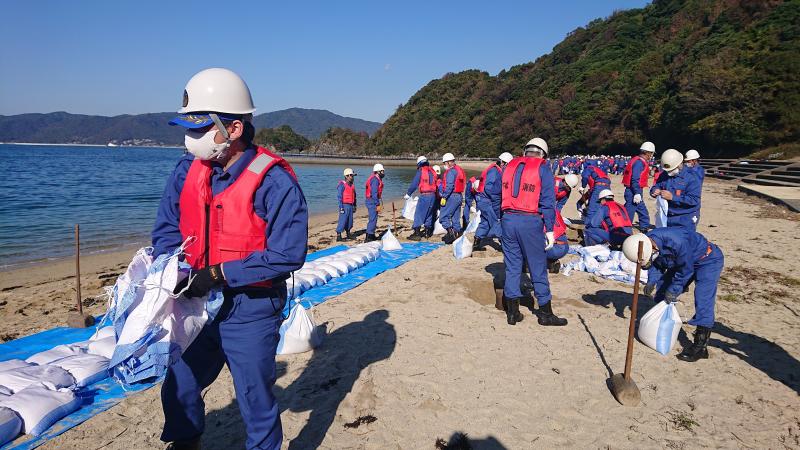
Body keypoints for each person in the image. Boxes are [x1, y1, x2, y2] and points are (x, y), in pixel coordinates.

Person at [152, 68, 308, 450]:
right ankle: (185, 442)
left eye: (200, 128)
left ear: (234, 128)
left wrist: (221, 273)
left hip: (251, 307)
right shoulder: (186, 171)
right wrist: (169, 268)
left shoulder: (274, 181)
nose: (190, 139)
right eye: (186, 129)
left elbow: (288, 253)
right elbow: (167, 227)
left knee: (254, 397)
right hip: (196, 303)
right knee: (180, 382)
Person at [622, 230, 724, 362]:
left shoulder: (676, 242)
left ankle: (701, 347)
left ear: (652, 248)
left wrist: (674, 290)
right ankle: (660, 322)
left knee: (703, 299)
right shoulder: (647, 243)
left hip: (707, 260)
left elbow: (685, 270)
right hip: (683, 261)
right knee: (662, 292)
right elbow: (656, 263)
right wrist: (652, 280)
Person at [501, 137, 567, 327]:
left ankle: (512, 313)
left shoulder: (509, 165)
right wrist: (550, 230)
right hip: (529, 221)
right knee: (537, 267)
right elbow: (548, 202)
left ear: (526, 151)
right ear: (543, 155)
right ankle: (545, 314)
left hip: (508, 219)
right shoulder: (542, 168)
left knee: (512, 267)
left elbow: (500, 194)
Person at [650, 149, 701, 230]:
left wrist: (672, 197)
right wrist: (654, 191)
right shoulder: (664, 174)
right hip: (668, 215)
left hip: (685, 217)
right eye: (667, 171)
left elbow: (694, 200)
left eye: (671, 170)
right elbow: (656, 185)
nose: (669, 173)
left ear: (679, 164)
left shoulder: (692, 177)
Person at [474, 152, 512, 251]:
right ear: (503, 163)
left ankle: (476, 242)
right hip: (486, 200)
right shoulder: (494, 171)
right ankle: (505, 245)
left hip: (485, 200)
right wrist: (497, 202)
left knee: (485, 222)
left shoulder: (497, 170)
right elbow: (489, 188)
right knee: (495, 222)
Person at [622, 141, 655, 232]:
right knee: (629, 213)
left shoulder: (639, 161)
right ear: (648, 153)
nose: (651, 155)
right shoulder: (639, 163)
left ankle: (644, 227)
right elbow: (634, 179)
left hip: (635, 190)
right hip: (633, 191)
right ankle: (625, 232)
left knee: (643, 211)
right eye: (651, 153)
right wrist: (637, 193)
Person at [405, 156, 438, 240]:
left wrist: (408, 193)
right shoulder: (432, 171)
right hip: (433, 195)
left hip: (425, 195)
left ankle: (417, 233)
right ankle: (427, 233)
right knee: (429, 214)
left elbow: (414, 183)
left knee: (419, 214)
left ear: (419, 164)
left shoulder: (421, 171)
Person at [438, 153, 466, 244]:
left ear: (449, 162)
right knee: (455, 217)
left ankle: (451, 234)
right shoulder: (458, 170)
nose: (444, 165)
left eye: (445, 163)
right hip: (458, 196)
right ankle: (457, 233)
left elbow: (449, 186)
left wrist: (444, 197)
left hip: (451, 196)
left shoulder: (450, 172)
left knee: (443, 217)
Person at [364, 163, 384, 242]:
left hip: (372, 200)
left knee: (374, 219)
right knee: (372, 219)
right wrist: (377, 204)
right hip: (372, 201)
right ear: (378, 172)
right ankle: (368, 237)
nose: (383, 173)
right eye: (382, 171)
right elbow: (374, 193)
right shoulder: (375, 180)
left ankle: (371, 235)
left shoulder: (376, 179)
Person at [546, 209, 569, 273]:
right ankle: (553, 261)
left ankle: (528, 264)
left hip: (552, 248)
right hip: (565, 247)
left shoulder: (536, 212)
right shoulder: (555, 211)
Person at [336, 168, 357, 241]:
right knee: (343, 220)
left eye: (353, 176)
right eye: (351, 175)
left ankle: (348, 233)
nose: (352, 177)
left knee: (350, 220)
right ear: (347, 176)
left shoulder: (352, 185)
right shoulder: (342, 185)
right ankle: (339, 235)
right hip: (344, 205)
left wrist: (354, 205)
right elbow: (339, 197)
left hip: (350, 205)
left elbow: (355, 196)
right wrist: (341, 207)